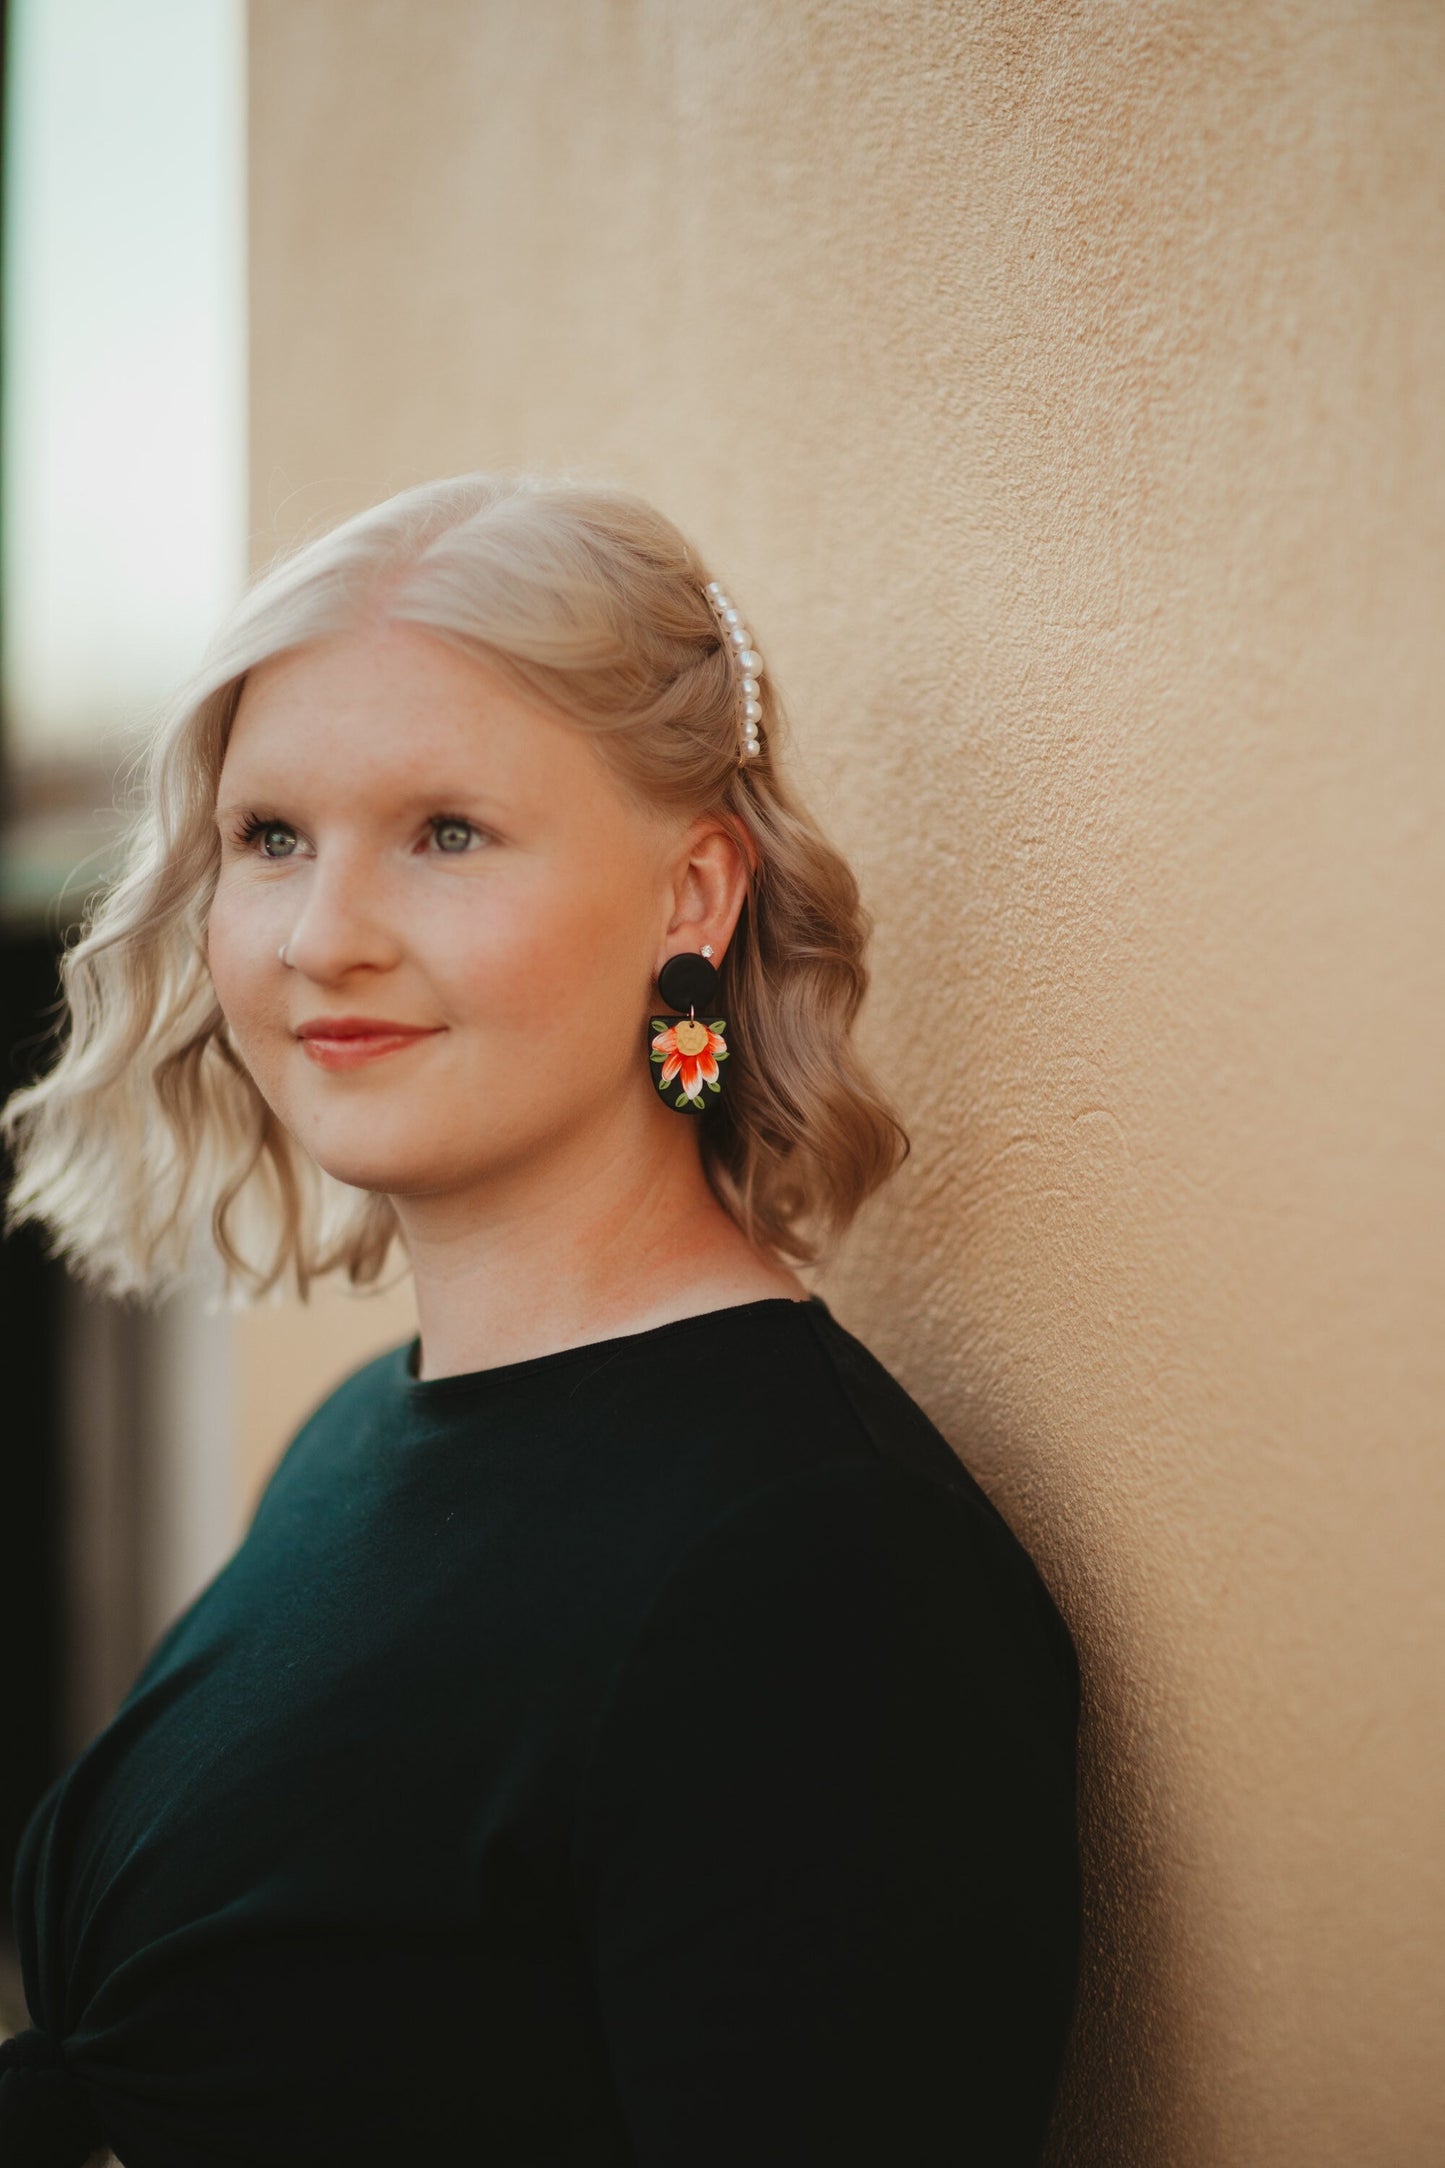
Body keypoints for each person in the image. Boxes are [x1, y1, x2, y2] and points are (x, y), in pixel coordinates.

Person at [0, 471, 1082, 2167]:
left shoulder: (816, 1576)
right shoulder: (362, 1430)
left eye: (446, 833)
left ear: (692, 897)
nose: (320, 939)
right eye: (270, 837)